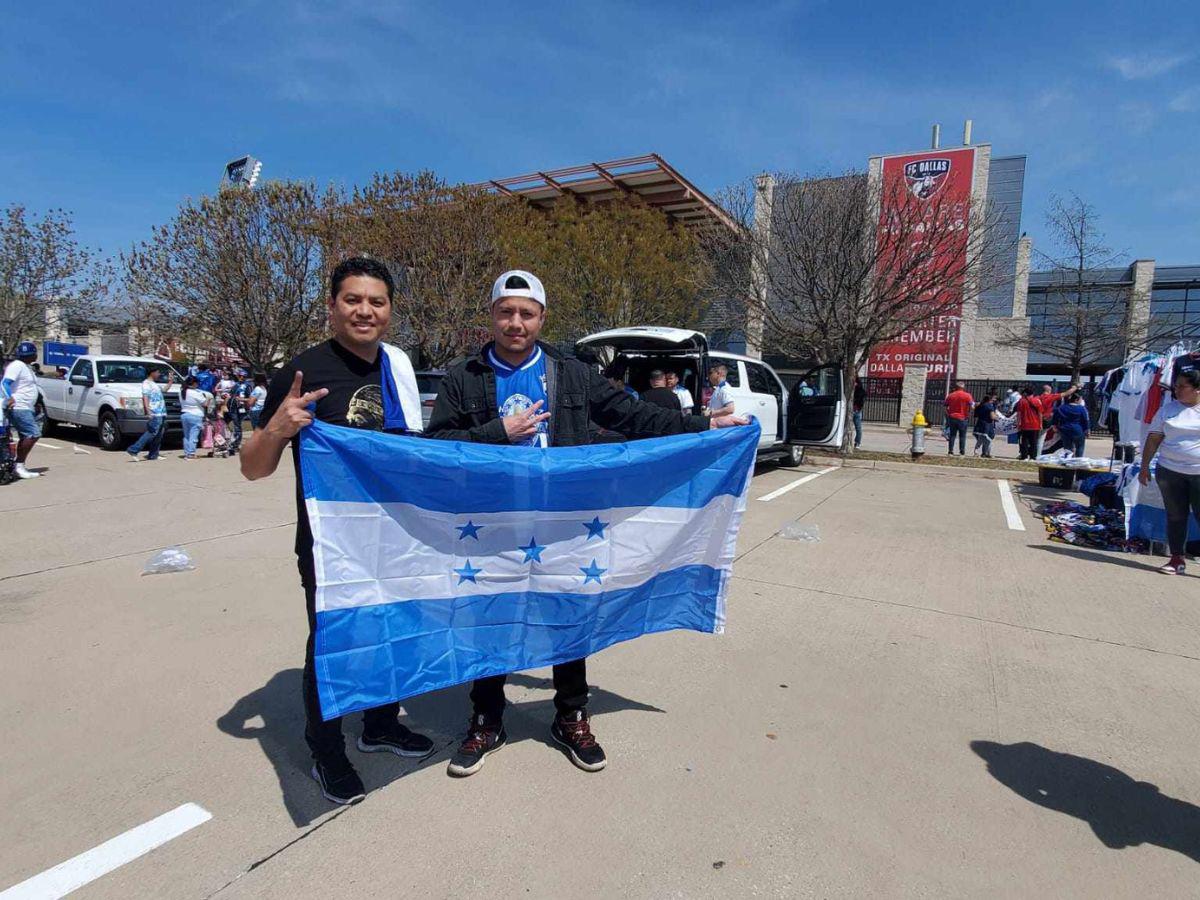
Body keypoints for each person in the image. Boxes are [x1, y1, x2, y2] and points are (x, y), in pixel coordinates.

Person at [427, 269, 748, 778]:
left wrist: (703, 424)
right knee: (488, 617)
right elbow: (436, 445)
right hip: (490, 526)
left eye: (526, 313)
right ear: (491, 315)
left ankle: (570, 714)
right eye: (505, 312)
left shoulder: (571, 372)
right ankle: (487, 718)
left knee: (567, 613)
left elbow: (633, 416)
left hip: (562, 522)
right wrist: (498, 431)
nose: (515, 322)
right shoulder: (464, 376)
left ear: (542, 318)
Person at [240, 256, 434, 805]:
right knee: (334, 643)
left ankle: (379, 724)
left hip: (396, 537)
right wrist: (278, 428)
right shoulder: (302, 371)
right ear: (331, 307)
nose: (364, 311)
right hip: (332, 543)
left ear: (390, 311)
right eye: (353, 300)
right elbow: (252, 467)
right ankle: (326, 749)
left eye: (376, 301)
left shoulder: (397, 367)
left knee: (392, 630)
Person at [1138, 368, 1200, 576]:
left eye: (1183, 386)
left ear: (1197, 389)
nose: (1177, 390)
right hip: (1170, 471)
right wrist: (1144, 466)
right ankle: (1176, 559)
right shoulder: (1167, 409)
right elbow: (1154, 438)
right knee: (1175, 516)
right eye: (1176, 386)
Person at [2, 342, 43, 479]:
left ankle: (17, 466)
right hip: (19, 407)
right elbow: (5, 383)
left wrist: (36, 403)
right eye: (34, 353)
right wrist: (9, 398)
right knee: (33, 434)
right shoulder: (17, 366)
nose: (36, 355)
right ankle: (18, 466)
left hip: (26, 407)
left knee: (26, 436)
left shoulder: (26, 367)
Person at [126, 366, 172, 461]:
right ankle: (134, 449)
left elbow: (164, 390)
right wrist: (148, 410)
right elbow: (145, 397)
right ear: (152, 373)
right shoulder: (146, 384)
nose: (159, 374)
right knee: (152, 432)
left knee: (159, 434)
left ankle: (153, 454)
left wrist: (170, 381)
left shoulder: (154, 384)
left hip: (161, 412)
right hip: (154, 412)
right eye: (157, 372)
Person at [1035, 383, 1079, 456]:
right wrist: (1075, 387)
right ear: (1049, 390)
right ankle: (1038, 454)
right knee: (1041, 439)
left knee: (1036, 438)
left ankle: (1031, 452)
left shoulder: (1037, 398)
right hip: (1045, 419)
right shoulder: (1050, 397)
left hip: (1036, 420)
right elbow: (1066, 393)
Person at [179, 376, 211, 460]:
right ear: (194, 383)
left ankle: (187, 453)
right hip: (195, 415)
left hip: (184, 414)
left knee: (186, 436)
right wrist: (208, 398)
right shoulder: (196, 393)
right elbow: (205, 404)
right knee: (193, 436)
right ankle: (191, 454)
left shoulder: (182, 391)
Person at [1052, 394, 1090, 458]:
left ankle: (1068, 461)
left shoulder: (1061, 407)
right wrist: (1087, 429)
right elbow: (1085, 420)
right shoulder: (1081, 408)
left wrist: (1055, 426)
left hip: (1064, 429)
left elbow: (1055, 417)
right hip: (1078, 430)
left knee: (1067, 448)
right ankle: (1078, 460)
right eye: (1080, 399)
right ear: (1076, 400)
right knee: (1079, 447)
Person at [943, 382, 974, 456]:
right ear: (963, 388)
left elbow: (945, 407)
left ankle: (950, 451)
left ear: (956, 387)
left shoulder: (950, 395)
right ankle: (962, 452)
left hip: (952, 417)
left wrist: (948, 414)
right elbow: (972, 406)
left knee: (952, 435)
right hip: (963, 418)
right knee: (962, 436)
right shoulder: (967, 396)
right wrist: (969, 413)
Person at [1014, 387, 1044, 461]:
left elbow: (1019, 414)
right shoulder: (1037, 401)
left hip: (1024, 425)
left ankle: (1024, 456)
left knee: (1024, 441)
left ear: (1025, 393)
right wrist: (1041, 424)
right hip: (1035, 424)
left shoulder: (1021, 401)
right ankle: (1033, 457)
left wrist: (1018, 424)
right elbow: (1040, 414)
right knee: (1034, 442)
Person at [973, 393, 999, 458]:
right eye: (993, 399)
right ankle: (983, 452)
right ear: (990, 399)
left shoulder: (980, 405)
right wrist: (997, 418)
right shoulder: (989, 406)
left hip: (980, 424)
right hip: (987, 425)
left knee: (981, 439)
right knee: (987, 439)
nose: (994, 400)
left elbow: (976, 415)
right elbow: (992, 416)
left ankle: (983, 452)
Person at [852, 379, 866, 449]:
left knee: (858, 428)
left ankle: (857, 442)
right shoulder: (861, 391)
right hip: (857, 410)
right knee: (858, 428)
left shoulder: (857, 391)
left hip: (855, 410)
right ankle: (857, 443)